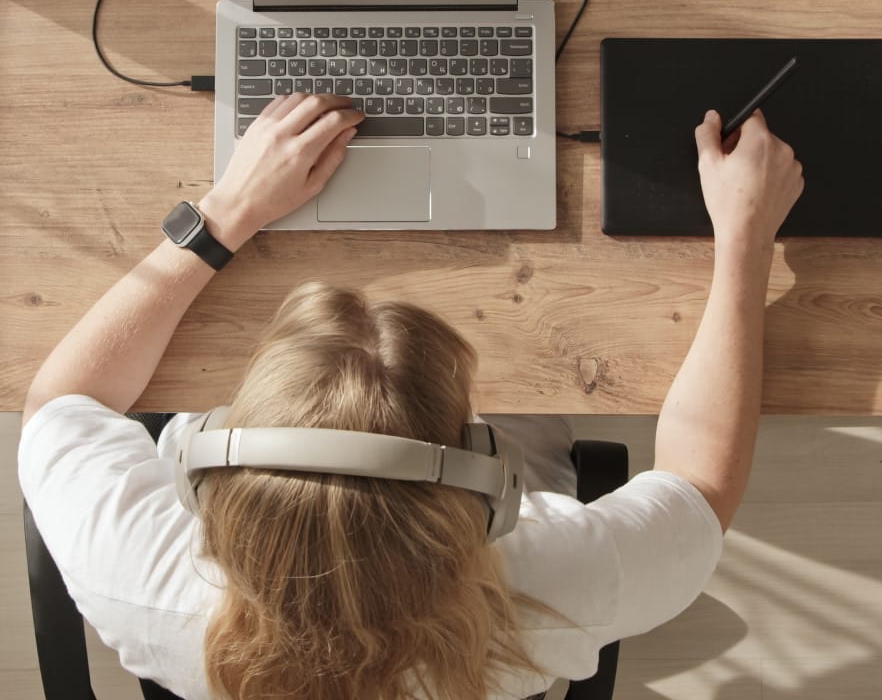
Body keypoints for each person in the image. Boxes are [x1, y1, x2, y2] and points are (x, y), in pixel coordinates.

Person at [18, 92, 803, 700]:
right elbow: (698, 484)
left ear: (217, 459)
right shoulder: (556, 591)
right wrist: (744, 240)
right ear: (485, 478)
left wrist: (226, 213)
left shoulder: (142, 574)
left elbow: (60, 398)